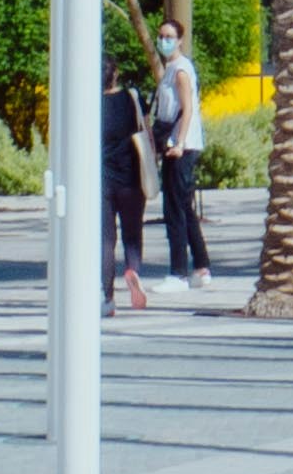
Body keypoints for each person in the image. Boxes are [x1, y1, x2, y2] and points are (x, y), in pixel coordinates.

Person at [150, 28, 216, 295]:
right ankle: (201, 267)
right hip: (174, 145)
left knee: (174, 210)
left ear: (179, 40)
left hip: (181, 148)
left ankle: (178, 273)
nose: (163, 41)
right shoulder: (170, 68)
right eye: (160, 35)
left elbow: (187, 108)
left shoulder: (180, 70)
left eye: (168, 37)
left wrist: (179, 143)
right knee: (184, 208)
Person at [92, 65, 156, 311]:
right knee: (132, 232)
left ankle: (107, 297)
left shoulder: (92, 103)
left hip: (102, 180)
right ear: (116, 73)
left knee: (106, 239)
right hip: (131, 176)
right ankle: (133, 269)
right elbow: (145, 130)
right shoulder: (132, 97)